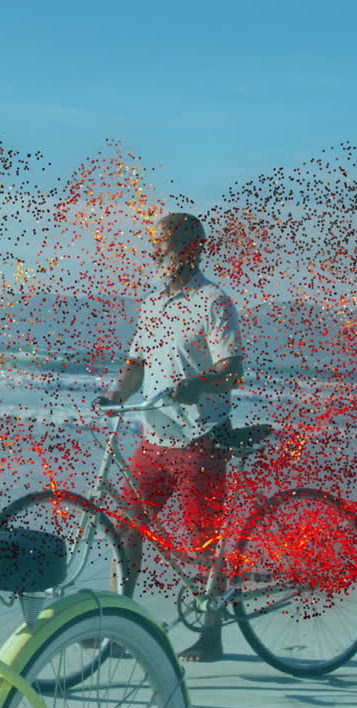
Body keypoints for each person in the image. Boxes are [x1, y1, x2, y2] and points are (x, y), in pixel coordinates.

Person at [99, 212, 245, 662]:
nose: (154, 252)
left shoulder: (214, 302)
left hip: (201, 440)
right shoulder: (153, 305)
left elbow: (232, 370)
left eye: (161, 243)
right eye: (153, 244)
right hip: (153, 441)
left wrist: (199, 384)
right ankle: (117, 630)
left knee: (204, 541)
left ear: (188, 247)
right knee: (125, 528)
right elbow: (137, 365)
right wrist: (112, 395)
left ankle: (211, 635)